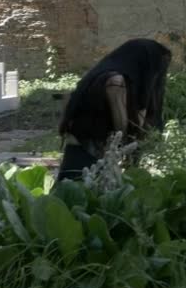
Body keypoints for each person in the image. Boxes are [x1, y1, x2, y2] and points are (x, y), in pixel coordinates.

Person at [56, 38, 172, 181]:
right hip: (89, 152)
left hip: (84, 147)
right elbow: (122, 128)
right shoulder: (115, 82)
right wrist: (131, 153)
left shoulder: (109, 74)